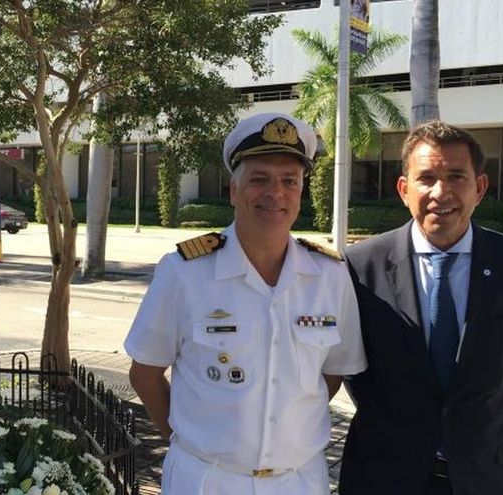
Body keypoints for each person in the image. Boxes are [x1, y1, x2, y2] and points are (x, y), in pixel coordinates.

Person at [125, 113, 367, 495]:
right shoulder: (184, 272)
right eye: (259, 179)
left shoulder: (330, 275)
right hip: (206, 479)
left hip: (300, 481)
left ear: (301, 192)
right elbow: (145, 373)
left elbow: (332, 374)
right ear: (234, 190)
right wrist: (191, 441)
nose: (276, 193)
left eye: (290, 181)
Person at [339, 120, 503, 495]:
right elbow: (354, 371)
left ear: (480, 188)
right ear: (404, 189)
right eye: (426, 178)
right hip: (385, 474)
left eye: (457, 176)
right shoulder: (359, 267)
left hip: (489, 476)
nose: (442, 192)